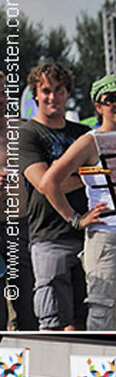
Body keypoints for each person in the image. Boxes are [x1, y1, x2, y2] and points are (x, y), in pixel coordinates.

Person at [40, 75, 116, 330]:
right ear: (98, 106)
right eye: (111, 99)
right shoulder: (91, 141)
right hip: (108, 241)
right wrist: (75, 218)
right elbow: (50, 181)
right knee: (105, 323)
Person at [19, 61, 90, 330]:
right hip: (49, 237)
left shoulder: (82, 133)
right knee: (52, 324)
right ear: (35, 94)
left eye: (58, 90)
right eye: (46, 90)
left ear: (67, 93)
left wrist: (59, 178)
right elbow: (43, 183)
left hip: (88, 237)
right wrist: (87, 175)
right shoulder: (27, 134)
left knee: (86, 323)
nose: (52, 97)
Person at [0, 70, 36, 330]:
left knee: (29, 309)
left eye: (3, 92)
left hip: (21, 226)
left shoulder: (21, 129)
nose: (1, 99)